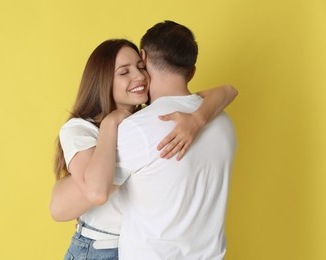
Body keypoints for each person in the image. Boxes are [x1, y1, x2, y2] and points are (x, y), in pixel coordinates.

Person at [50, 38, 237, 259]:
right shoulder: (81, 129)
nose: (138, 77)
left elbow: (227, 91)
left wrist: (197, 119)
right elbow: (96, 191)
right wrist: (111, 123)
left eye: (141, 67)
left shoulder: (144, 122)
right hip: (99, 247)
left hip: (132, 245)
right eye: (124, 72)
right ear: (103, 79)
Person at [115, 21, 237, 259]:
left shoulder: (137, 127)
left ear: (143, 57)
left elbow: (96, 191)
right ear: (191, 71)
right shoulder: (224, 122)